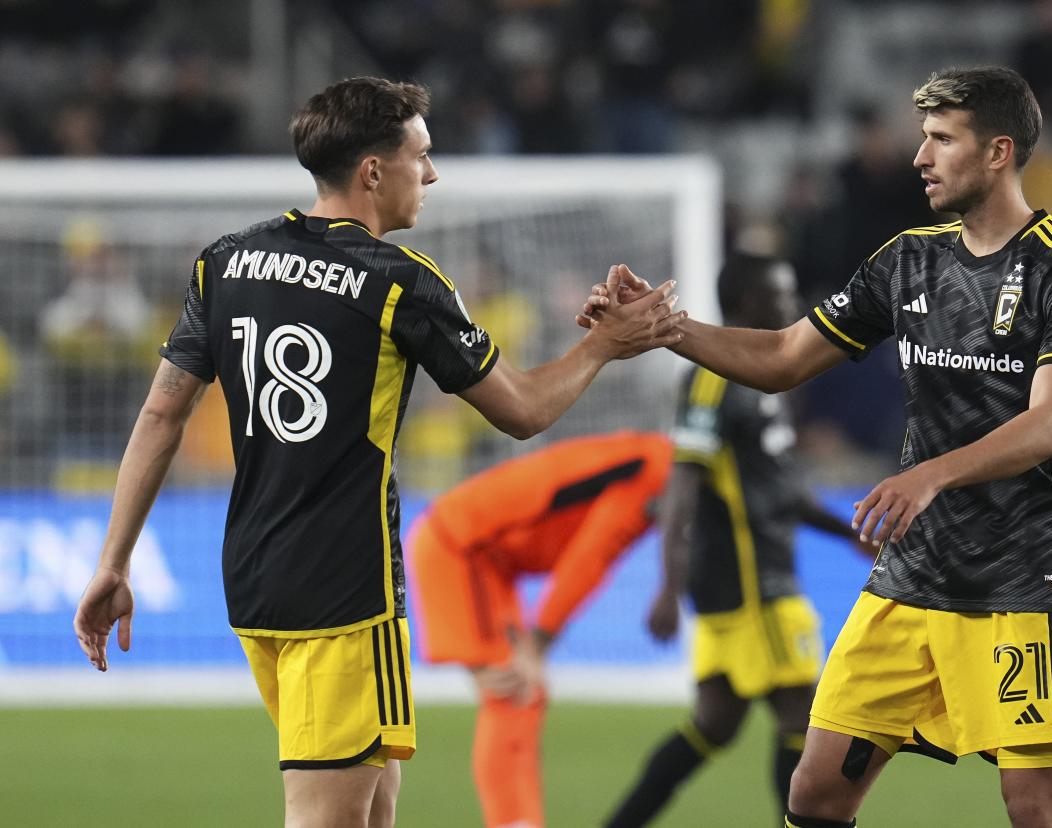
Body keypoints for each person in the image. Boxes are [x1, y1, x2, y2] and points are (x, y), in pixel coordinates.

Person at [72, 76, 680, 828]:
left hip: (255, 582)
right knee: (328, 818)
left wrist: (112, 561)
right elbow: (523, 411)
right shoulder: (400, 284)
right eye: (420, 155)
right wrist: (604, 346)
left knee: (370, 809)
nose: (430, 174)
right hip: (345, 595)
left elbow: (162, 412)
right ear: (372, 171)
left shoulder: (226, 262)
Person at [584, 67, 1052, 828]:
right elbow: (781, 356)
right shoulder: (907, 260)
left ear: (998, 152)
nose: (919, 158)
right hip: (907, 580)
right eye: (922, 139)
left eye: (940, 140)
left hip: (1020, 585)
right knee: (815, 794)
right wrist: (667, 327)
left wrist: (929, 475)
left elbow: (1051, 424)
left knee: (1037, 808)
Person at [604, 253, 871, 827]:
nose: (790, 303)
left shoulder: (769, 378)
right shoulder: (710, 379)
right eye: (780, 292)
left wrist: (847, 534)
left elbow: (781, 492)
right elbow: (682, 485)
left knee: (713, 726)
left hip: (762, 579)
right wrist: (667, 587)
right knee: (807, 722)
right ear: (746, 303)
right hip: (754, 587)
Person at [406, 430, 673, 828]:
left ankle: (520, 819)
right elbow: (591, 557)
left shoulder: (651, 460)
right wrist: (539, 641)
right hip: (461, 546)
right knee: (513, 691)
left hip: (486, 558)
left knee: (525, 693)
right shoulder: (653, 474)